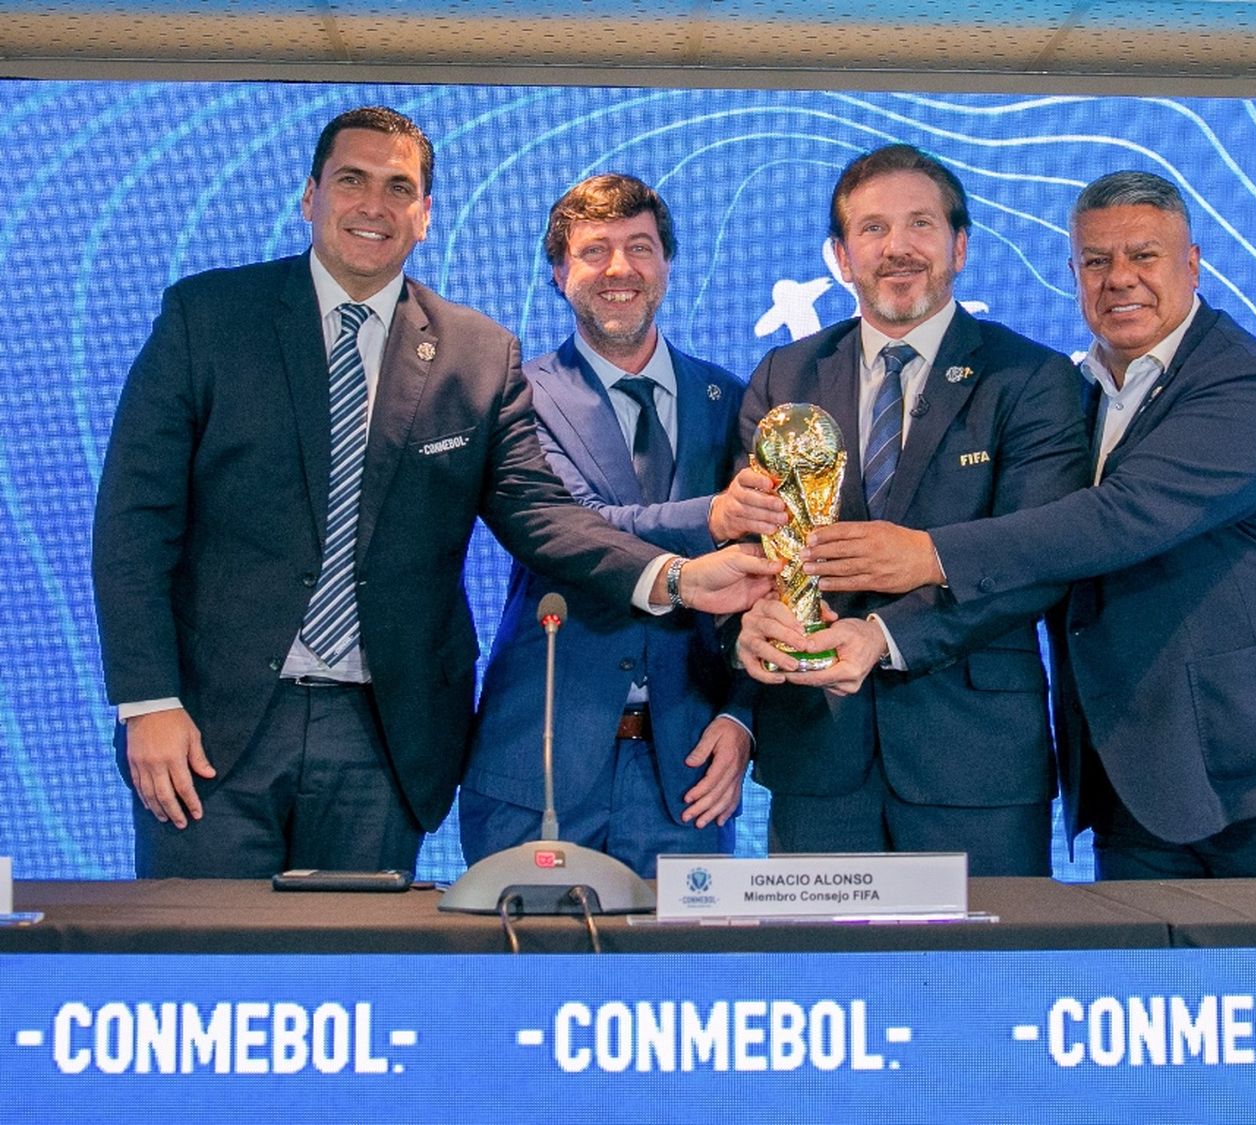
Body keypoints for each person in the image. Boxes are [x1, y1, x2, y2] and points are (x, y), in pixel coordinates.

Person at [92, 107, 778, 879]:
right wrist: (148, 700)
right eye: (352, 180)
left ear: (425, 215)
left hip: (385, 738)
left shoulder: (475, 353)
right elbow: (133, 523)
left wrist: (676, 577)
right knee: (199, 983)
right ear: (310, 195)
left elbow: (539, 514)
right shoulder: (208, 317)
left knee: (357, 985)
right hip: (210, 728)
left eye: (399, 187)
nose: (373, 205)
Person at [783, 169, 1256, 879]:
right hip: (1138, 774)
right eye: (1097, 261)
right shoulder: (1081, 387)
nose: (1120, 279)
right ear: (1074, 273)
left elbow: (1119, 518)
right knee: (1143, 994)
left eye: (1144, 256)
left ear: (1192, 263)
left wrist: (929, 554)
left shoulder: (1240, 380)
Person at [732, 144, 1089, 876]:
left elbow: (1037, 562)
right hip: (816, 758)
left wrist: (882, 636)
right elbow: (761, 551)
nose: (897, 248)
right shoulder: (784, 375)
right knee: (824, 980)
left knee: (979, 988)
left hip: (975, 765)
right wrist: (754, 617)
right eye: (871, 230)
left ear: (960, 245)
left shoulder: (1032, 379)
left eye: (920, 224)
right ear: (840, 257)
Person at [459, 174, 784, 877]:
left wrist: (742, 718)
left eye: (640, 247)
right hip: (539, 763)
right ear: (558, 271)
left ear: (667, 263)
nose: (619, 269)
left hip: (689, 769)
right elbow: (574, 525)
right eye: (593, 250)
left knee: (678, 986)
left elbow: (771, 575)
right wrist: (714, 515)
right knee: (526, 982)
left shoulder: (732, 398)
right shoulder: (516, 394)